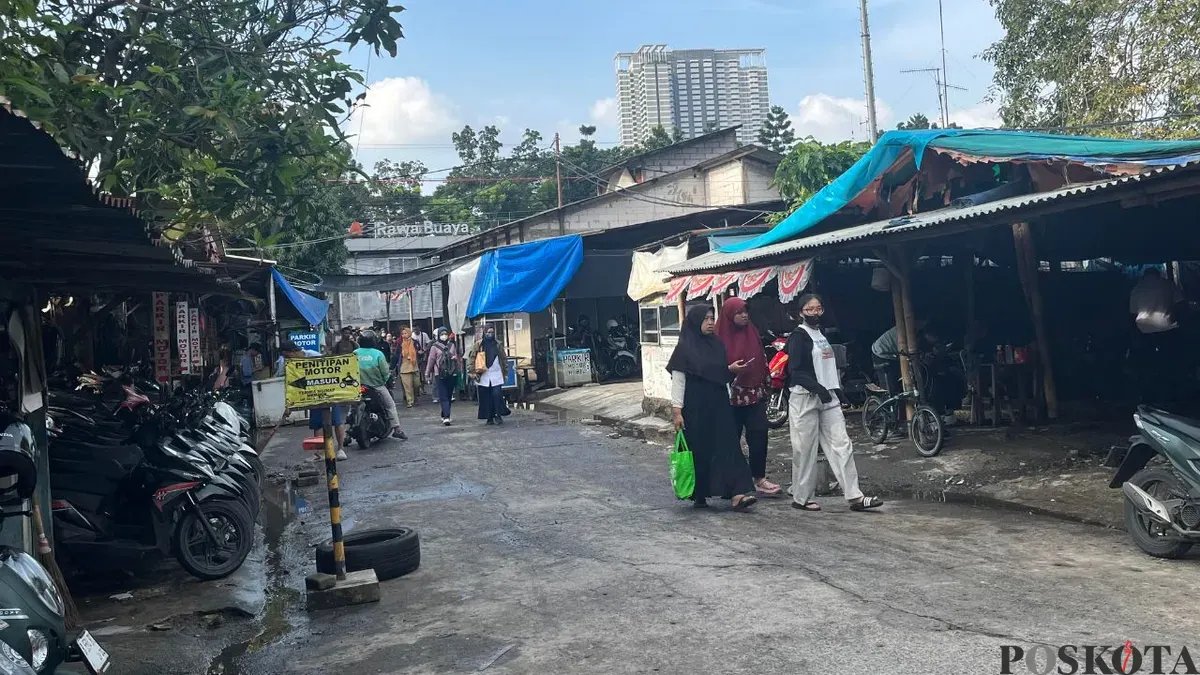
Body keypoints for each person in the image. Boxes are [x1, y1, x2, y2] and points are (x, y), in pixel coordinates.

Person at [786, 294, 883, 513]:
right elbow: (797, 371)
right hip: (805, 397)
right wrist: (817, 389)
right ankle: (801, 497)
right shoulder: (798, 337)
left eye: (818, 308)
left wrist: (835, 391)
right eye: (809, 309)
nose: (815, 313)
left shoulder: (821, 334)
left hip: (828, 396)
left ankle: (855, 496)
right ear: (801, 312)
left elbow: (826, 368)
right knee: (805, 449)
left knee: (842, 444)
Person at [667, 305, 758, 511]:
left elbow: (719, 375)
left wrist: (731, 371)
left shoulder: (717, 345)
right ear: (695, 321)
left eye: (712, 318)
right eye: (706, 319)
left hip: (719, 405)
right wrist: (677, 411)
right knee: (700, 449)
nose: (710, 322)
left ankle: (737, 493)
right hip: (695, 407)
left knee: (729, 446)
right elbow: (679, 380)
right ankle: (700, 492)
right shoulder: (684, 348)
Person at [715, 297, 782, 497]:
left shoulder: (751, 331)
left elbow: (761, 357)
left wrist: (766, 385)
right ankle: (732, 483)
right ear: (729, 315)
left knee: (759, 434)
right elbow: (711, 367)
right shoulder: (718, 338)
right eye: (739, 312)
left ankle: (759, 478)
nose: (744, 315)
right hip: (730, 397)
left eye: (746, 311)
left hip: (753, 393)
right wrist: (730, 369)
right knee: (730, 440)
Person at [355, 331, 406, 440]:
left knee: (353, 406)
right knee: (390, 405)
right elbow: (385, 372)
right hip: (377, 386)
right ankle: (397, 429)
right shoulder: (377, 354)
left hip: (357, 387)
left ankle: (346, 435)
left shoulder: (354, 353)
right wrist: (386, 381)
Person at [471, 326, 510, 425]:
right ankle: (489, 417)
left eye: (492, 332)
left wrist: (505, 373)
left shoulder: (498, 344)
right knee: (486, 397)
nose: (490, 334)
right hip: (483, 374)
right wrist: (472, 372)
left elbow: (504, 359)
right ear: (484, 333)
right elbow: (471, 358)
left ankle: (498, 414)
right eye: (488, 332)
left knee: (497, 394)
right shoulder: (479, 345)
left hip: (496, 373)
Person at [425, 327, 460, 426]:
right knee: (443, 396)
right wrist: (427, 373)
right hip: (439, 374)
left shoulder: (452, 345)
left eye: (445, 334)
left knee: (448, 396)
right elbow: (431, 360)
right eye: (442, 334)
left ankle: (444, 413)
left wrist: (455, 359)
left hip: (451, 373)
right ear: (438, 335)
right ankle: (446, 417)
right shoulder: (434, 347)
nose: (444, 336)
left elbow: (457, 358)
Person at [395, 326, 421, 408]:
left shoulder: (415, 342)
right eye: (402, 334)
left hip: (414, 366)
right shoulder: (400, 344)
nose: (404, 335)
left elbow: (420, 351)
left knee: (417, 384)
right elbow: (396, 355)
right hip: (404, 368)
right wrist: (392, 367)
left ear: (409, 333)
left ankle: (415, 398)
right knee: (408, 386)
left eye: (405, 333)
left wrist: (420, 353)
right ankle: (410, 401)